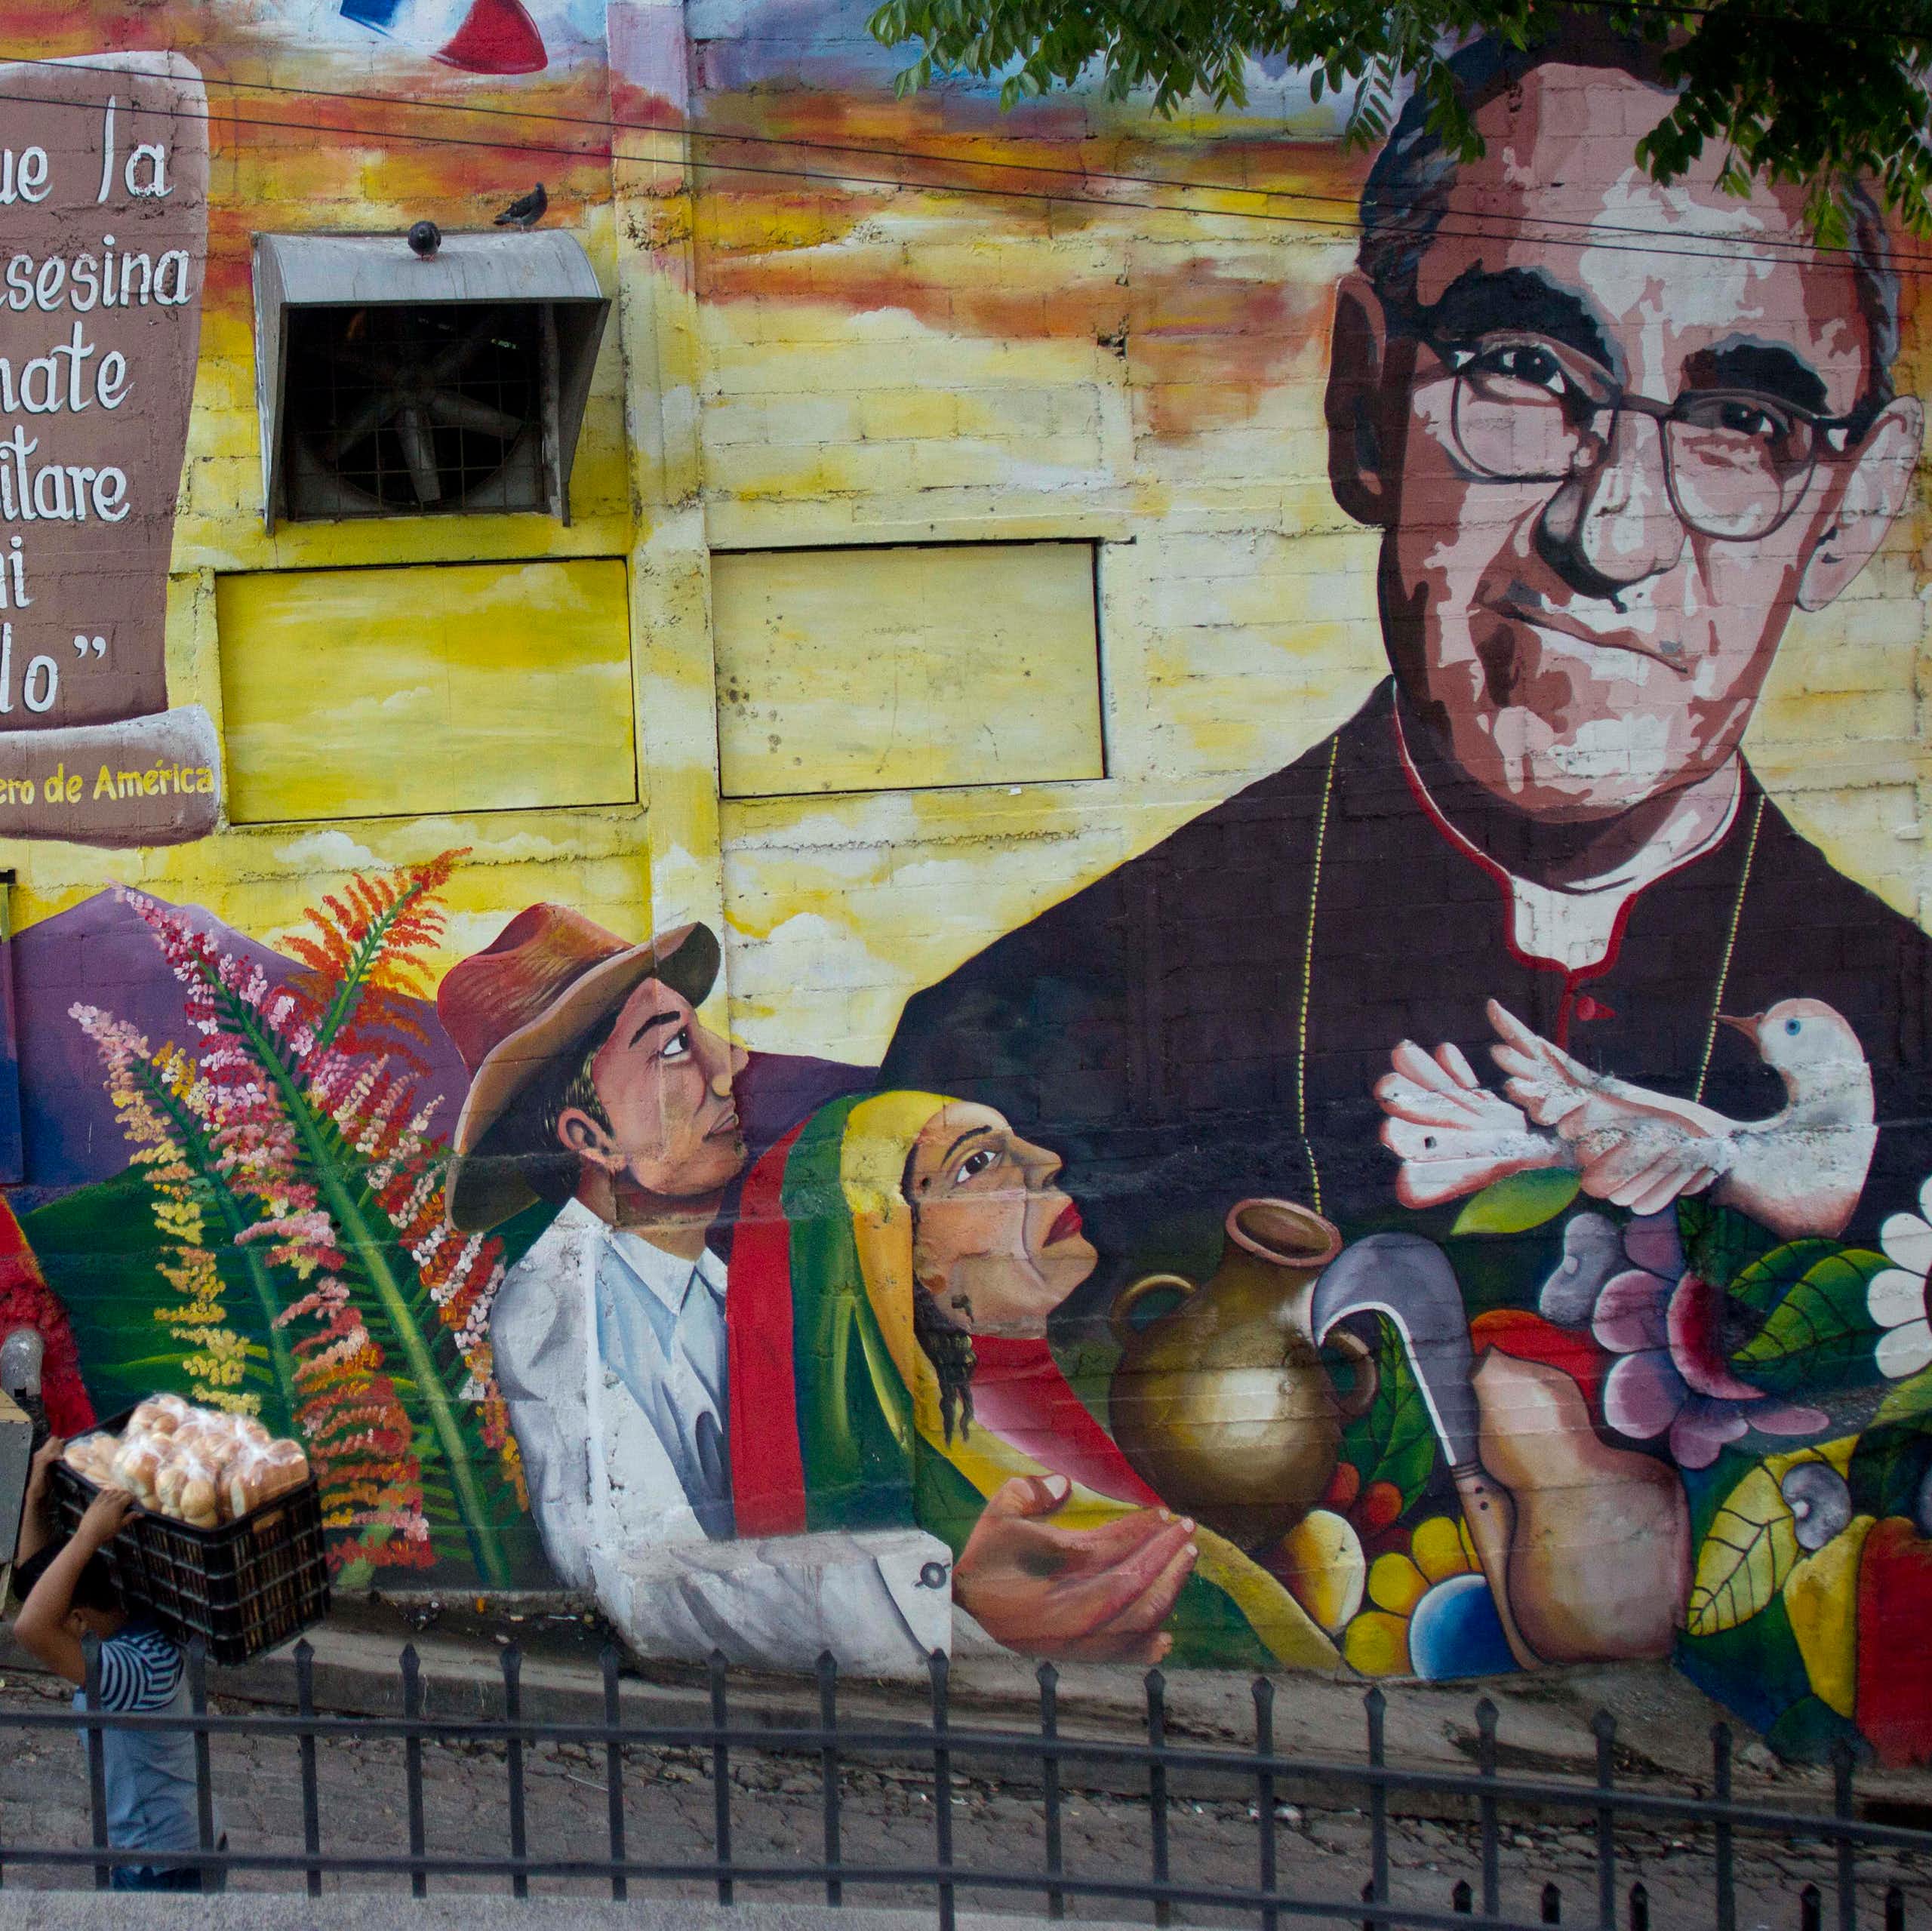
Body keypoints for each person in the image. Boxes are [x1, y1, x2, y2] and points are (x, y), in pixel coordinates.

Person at [878, 23, 1931, 1289]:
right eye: (1527, 369)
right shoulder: (1014, 1059)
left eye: (1740, 423)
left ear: (1853, 515)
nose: (1611, 530)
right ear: (1363, 401)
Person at [440, 907, 944, 1666]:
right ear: (589, 1137)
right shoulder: (554, 1310)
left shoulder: (724, 1288)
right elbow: (638, 1582)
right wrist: (937, 1594)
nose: (730, 1062)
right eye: (673, 1046)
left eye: (700, 1031)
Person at [724, 1090, 1342, 1669]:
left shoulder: (1039, 1416)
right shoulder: (979, 1510)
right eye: (978, 1163)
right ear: (891, 1257)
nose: (1047, 1161)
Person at [11, 1441, 223, 1893]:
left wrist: (87, 1536)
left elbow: (30, 1627)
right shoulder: (133, 1622)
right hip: (155, 1852)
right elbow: (38, 1589)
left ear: (78, 1621)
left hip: (166, 1869)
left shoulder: (135, 1670)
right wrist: (36, 1500)